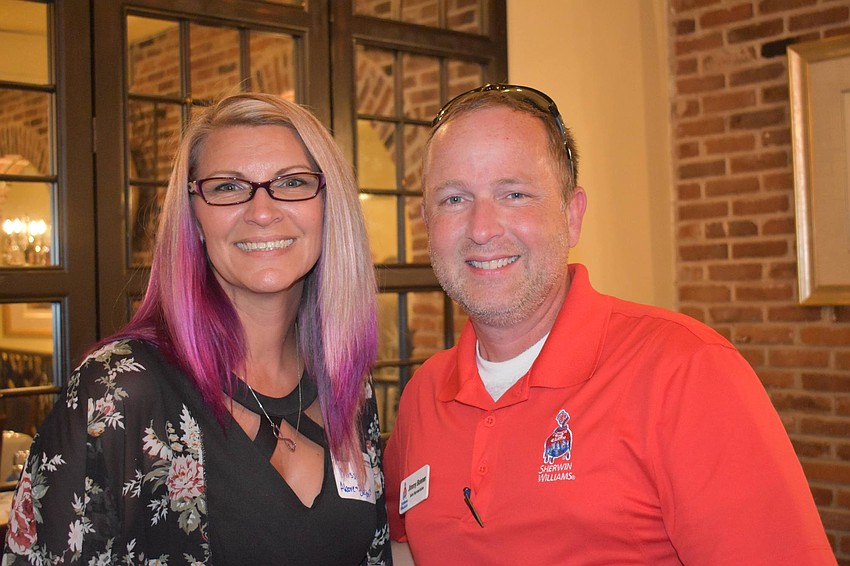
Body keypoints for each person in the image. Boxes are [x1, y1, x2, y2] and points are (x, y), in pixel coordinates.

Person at [383, 83, 835, 564]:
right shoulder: (423, 397)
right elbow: (402, 546)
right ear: (426, 223)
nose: (482, 228)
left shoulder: (685, 370)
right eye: (454, 200)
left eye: (514, 194)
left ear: (572, 216)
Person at [3, 93, 390, 565]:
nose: (262, 210)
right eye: (227, 187)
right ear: (195, 218)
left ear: (329, 207)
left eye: (292, 182)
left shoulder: (346, 382)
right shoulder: (118, 390)